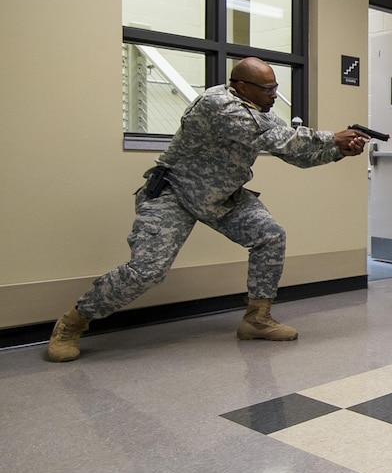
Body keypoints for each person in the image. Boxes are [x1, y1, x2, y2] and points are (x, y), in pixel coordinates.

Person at [47, 57, 371, 362]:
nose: (274, 94)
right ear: (241, 86)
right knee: (148, 270)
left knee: (270, 236)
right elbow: (276, 138)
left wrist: (339, 151)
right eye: (267, 89)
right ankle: (73, 322)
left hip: (222, 197)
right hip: (174, 193)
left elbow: (295, 154)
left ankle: (257, 319)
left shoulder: (261, 111)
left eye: (275, 88)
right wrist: (331, 137)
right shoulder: (218, 104)